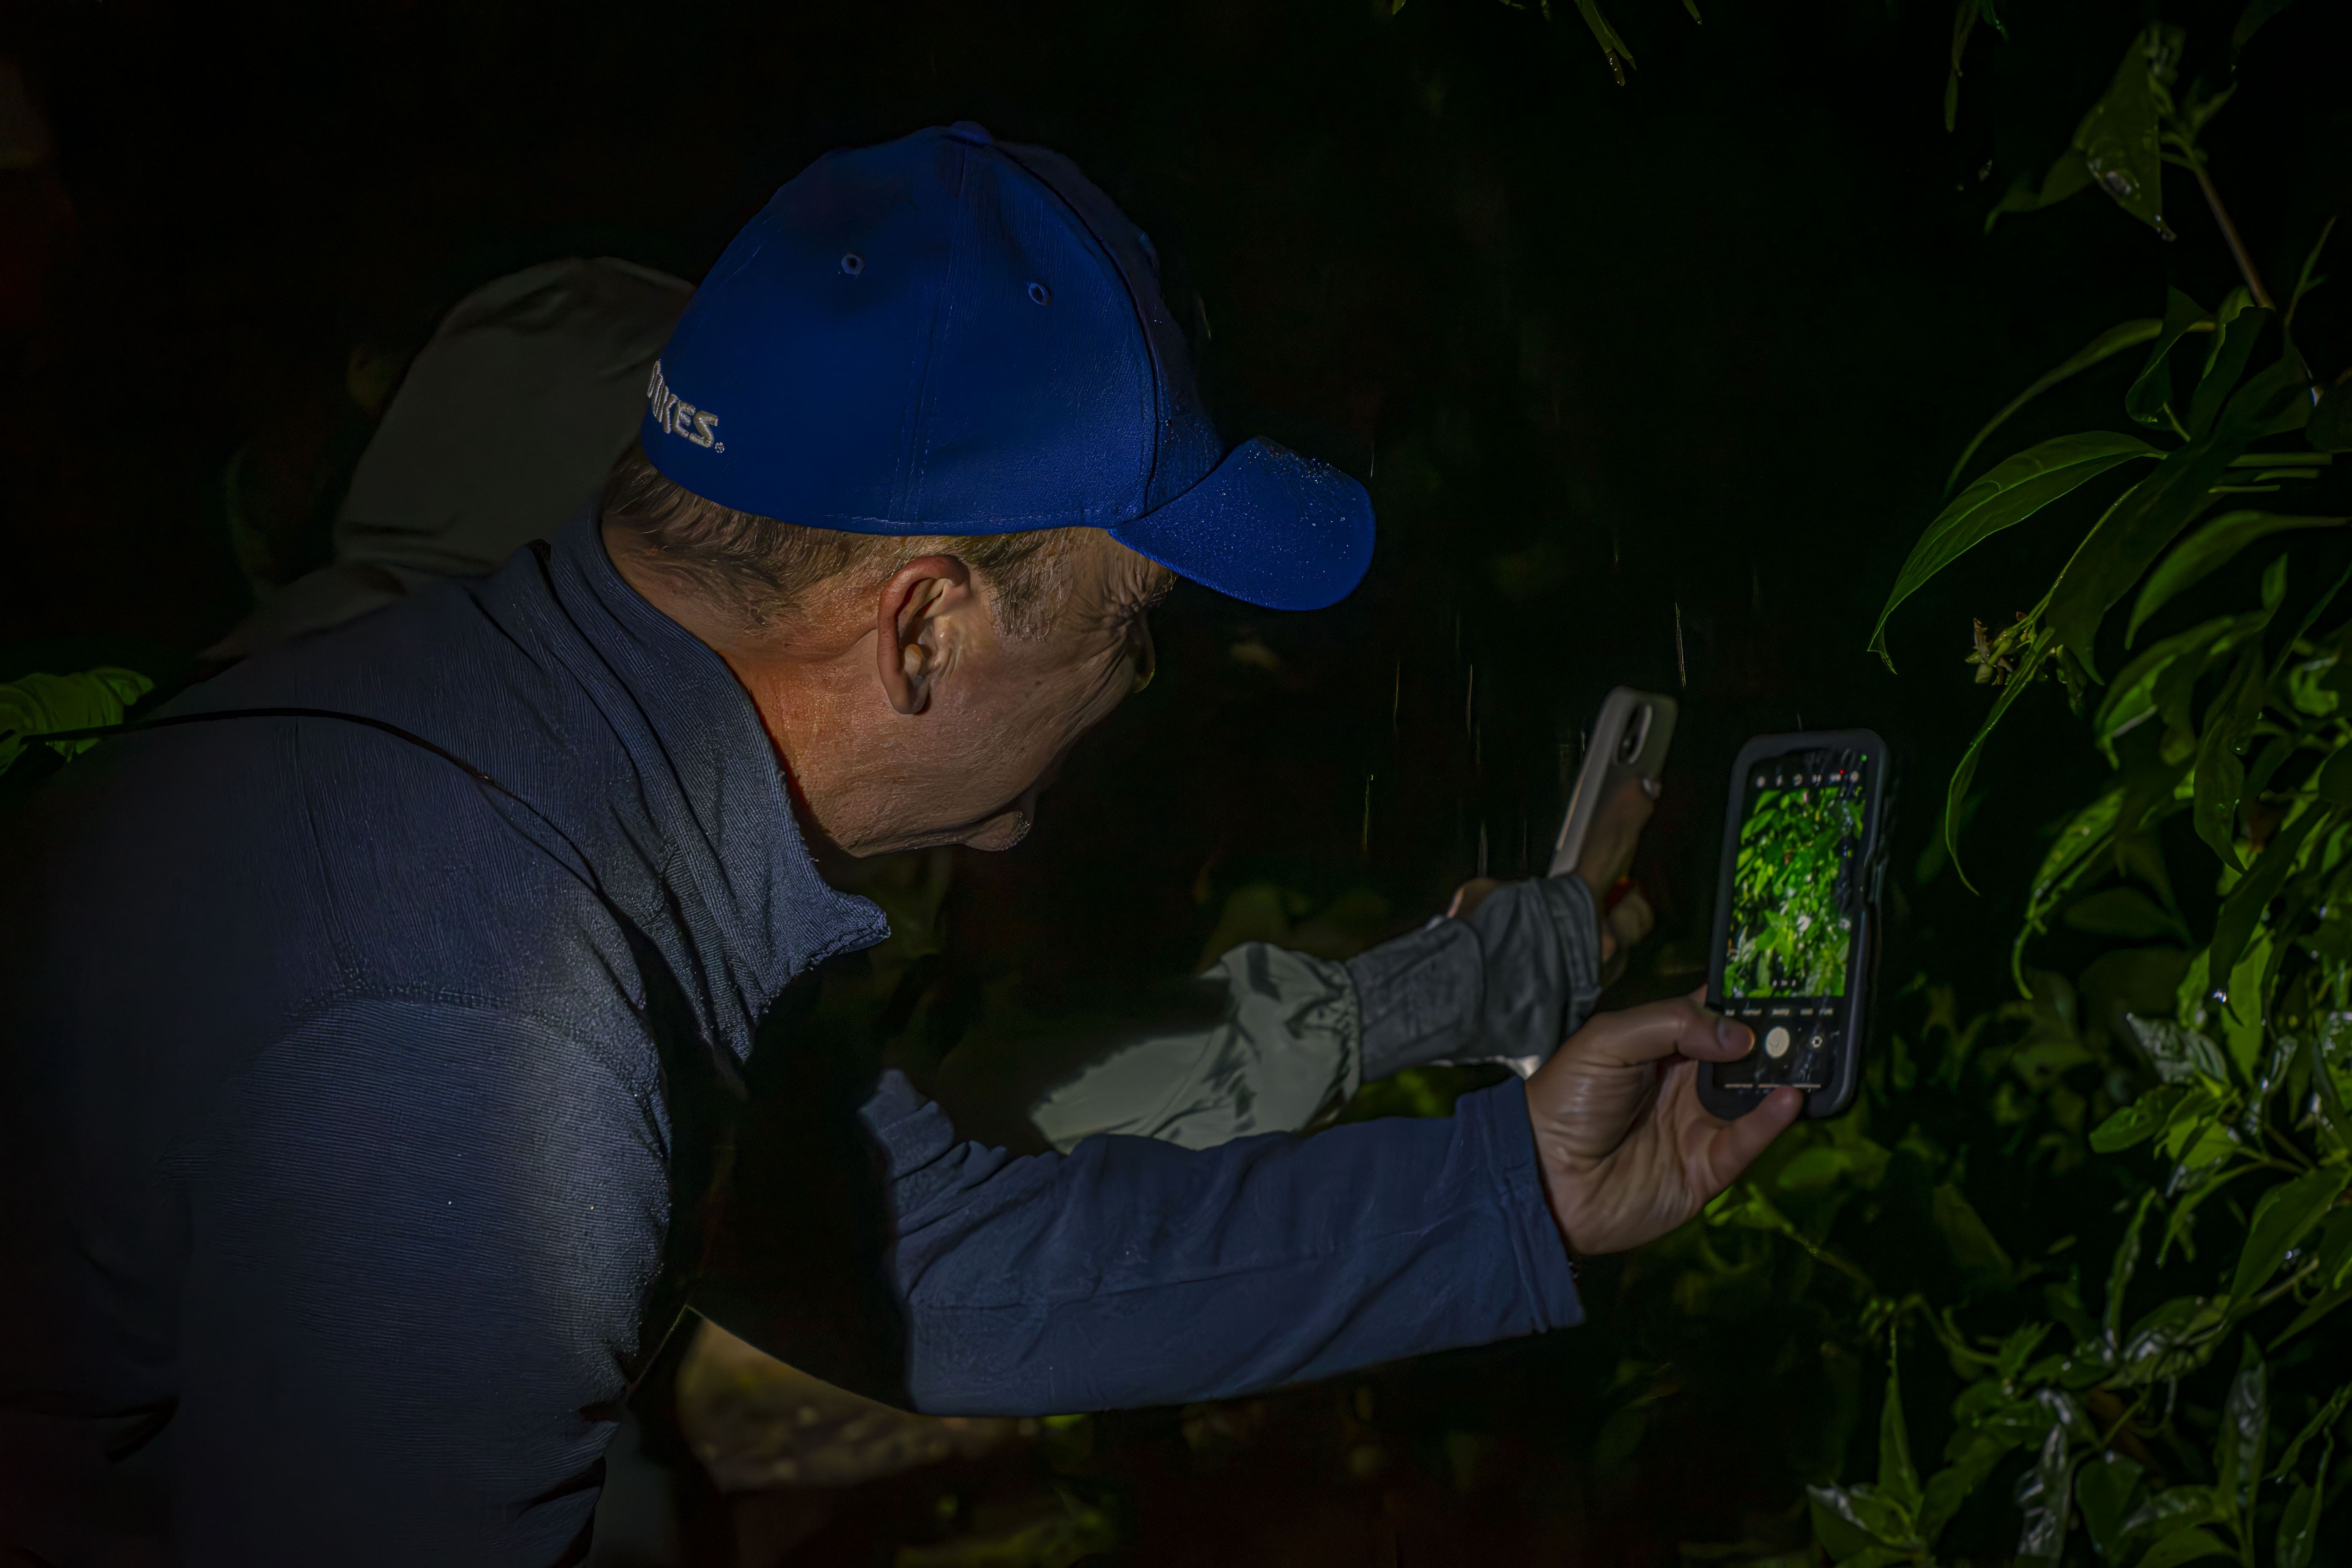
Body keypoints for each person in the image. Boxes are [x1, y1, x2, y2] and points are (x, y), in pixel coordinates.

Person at [0, 122, 1800, 1565]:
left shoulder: (543, 744)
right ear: (924, 623)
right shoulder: (489, 1036)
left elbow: (935, 1264)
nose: (1137, 684)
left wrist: (1516, 1192)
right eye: (1133, 620)